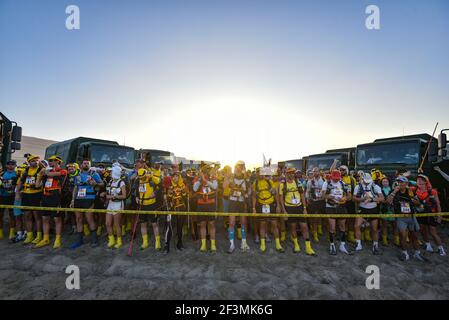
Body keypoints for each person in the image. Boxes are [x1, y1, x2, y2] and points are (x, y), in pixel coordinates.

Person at [389, 176, 428, 262]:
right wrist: (394, 192)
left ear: (406, 184)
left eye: (402, 182)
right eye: (399, 182)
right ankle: (405, 253)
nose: (400, 184)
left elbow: (418, 203)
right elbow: (388, 201)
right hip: (400, 218)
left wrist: (413, 200)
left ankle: (417, 253)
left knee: (414, 236)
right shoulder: (394, 191)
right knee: (402, 236)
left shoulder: (410, 191)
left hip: (411, 216)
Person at [279, 168, 315, 255]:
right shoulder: (282, 184)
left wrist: (305, 208)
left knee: (304, 227)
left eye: (292, 173)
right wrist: (284, 211)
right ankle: (296, 244)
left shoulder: (298, 182)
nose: (291, 175)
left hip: (299, 207)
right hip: (289, 208)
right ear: (286, 174)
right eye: (289, 173)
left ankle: (308, 247)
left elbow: (302, 195)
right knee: (293, 227)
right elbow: (281, 199)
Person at [34, 155, 67, 248]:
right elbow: (37, 185)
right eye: (49, 160)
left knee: (57, 219)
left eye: (52, 160)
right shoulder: (46, 172)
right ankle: (45, 238)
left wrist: (43, 171)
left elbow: (51, 174)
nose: (50, 162)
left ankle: (58, 239)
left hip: (56, 196)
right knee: (45, 218)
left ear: (58, 162)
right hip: (45, 196)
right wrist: (39, 176)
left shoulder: (63, 171)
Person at [70, 160, 104, 249]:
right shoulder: (77, 174)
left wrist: (95, 183)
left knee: (89, 218)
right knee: (78, 219)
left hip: (89, 198)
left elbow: (102, 184)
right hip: (78, 198)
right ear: (81, 165)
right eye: (84, 163)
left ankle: (94, 239)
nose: (86, 164)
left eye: (87, 163)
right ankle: (79, 240)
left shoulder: (94, 174)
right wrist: (73, 200)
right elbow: (75, 187)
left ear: (90, 165)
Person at [252, 168, 284, 253]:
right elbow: (254, 197)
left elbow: (275, 193)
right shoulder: (255, 184)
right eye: (258, 173)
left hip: (271, 204)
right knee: (262, 224)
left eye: (261, 173)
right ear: (256, 174)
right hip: (261, 205)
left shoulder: (269, 181)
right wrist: (254, 208)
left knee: (274, 224)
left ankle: (278, 244)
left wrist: (277, 205)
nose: (260, 175)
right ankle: (263, 245)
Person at [353, 173, 384, 254]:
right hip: (362, 209)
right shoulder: (358, 186)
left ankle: (375, 246)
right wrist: (362, 199)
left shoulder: (375, 186)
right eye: (365, 181)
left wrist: (371, 200)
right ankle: (358, 244)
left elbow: (382, 198)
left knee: (374, 229)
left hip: (373, 209)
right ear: (362, 179)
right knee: (357, 226)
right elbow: (354, 198)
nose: (366, 183)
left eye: (368, 181)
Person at [322, 169, 352, 255]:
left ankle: (342, 245)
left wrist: (345, 198)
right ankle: (332, 245)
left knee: (342, 226)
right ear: (331, 176)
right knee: (332, 227)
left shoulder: (343, 183)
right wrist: (331, 197)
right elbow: (323, 195)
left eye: (338, 178)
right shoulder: (327, 183)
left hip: (341, 207)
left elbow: (349, 195)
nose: (336, 180)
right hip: (330, 207)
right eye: (335, 178)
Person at [415, 174, 446, 256]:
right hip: (420, 213)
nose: (419, 181)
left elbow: (438, 204)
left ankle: (441, 249)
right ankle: (428, 245)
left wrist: (439, 215)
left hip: (431, 214)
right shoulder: (414, 190)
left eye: (421, 179)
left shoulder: (432, 191)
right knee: (422, 230)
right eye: (418, 180)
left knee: (433, 232)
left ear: (426, 181)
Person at [15, 155, 43, 244]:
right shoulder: (26, 170)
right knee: (27, 216)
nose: (35, 162)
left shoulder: (41, 170)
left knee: (37, 216)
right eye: (33, 161)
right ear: (29, 162)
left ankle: (39, 236)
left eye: (37, 160)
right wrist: (17, 193)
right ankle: (29, 235)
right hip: (26, 195)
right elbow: (21, 182)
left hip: (36, 195)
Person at [225, 160, 250, 253]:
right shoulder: (231, 176)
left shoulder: (246, 177)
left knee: (244, 223)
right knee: (231, 223)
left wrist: (246, 194)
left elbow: (249, 190)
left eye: (242, 166)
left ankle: (244, 243)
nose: (241, 167)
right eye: (239, 166)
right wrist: (227, 178)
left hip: (242, 202)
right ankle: (232, 244)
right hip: (233, 201)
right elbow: (224, 186)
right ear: (236, 166)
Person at [193, 164, 218, 252]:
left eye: (207, 169)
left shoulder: (213, 177)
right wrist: (200, 179)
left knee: (212, 224)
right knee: (202, 224)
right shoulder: (198, 178)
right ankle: (203, 245)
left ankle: (213, 244)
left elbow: (215, 187)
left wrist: (206, 181)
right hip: (201, 204)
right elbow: (195, 189)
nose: (206, 171)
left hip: (211, 204)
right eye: (204, 170)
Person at [136, 168, 161, 251]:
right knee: (143, 224)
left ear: (145, 174)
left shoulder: (151, 178)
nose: (141, 179)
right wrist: (136, 197)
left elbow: (160, 185)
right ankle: (145, 242)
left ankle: (157, 242)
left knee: (154, 224)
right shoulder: (138, 180)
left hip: (151, 205)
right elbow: (136, 189)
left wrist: (155, 193)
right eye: (140, 177)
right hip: (142, 205)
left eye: (142, 177)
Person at [103, 164, 127, 249]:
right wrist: (106, 195)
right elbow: (108, 193)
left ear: (115, 172)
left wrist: (114, 196)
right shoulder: (110, 181)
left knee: (117, 224)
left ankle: (119, 241)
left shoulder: (121, 182)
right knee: (107, 223)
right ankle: (111, 240)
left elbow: (124, 196)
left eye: (112, 171)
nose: (110, 172)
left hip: (118, 204)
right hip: (110, 204)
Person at [166, 167, 188, 252]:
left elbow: (186, 198)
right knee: (170, 228)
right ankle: (166, 245)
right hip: (172, 210)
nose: (175, 178)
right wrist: (170, 195)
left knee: (180, 228)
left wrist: (183, 192)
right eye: (174, 176)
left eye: (177, 176)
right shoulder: (170, 187)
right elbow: (168, 199)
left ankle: (180, 244)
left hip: (182, 209)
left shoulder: (183, 186)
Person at [0, 160, 18, 240]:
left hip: (12, 197)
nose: (10, 166)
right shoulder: (2, 174)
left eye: (12, 164)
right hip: (2, 196)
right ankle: (0, 232)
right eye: (9, 164)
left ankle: (11, 232)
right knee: (0, 215)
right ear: (6, 165)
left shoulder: (17, 174)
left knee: (12, 215)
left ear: (15, 166)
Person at [306, 167, 325, 243]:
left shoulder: (323, 180)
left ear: (319, 172)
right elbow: (307, 191)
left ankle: (319, 229)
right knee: (314, 218)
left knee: (320, 217)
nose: (315, 173)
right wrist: (307, 199)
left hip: (321, 201)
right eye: (313, 172)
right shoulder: (310, 181)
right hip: (313, 201)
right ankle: (315, 234)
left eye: (316, 171)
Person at [379, 177, 399, 246]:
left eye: (386, 181)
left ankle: (396, 240)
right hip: (384, 209)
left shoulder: (393, 189)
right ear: (381, 183)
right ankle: (384, 240)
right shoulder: (380, 190)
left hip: (393, 209)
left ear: (389, 182)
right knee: (384, 225)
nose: (385, 183)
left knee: (395, 225)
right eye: (383, 182)